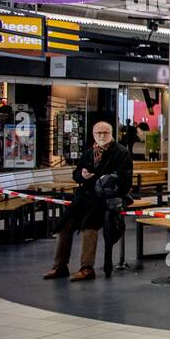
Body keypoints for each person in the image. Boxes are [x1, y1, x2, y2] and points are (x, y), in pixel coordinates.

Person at [42, 121, 133, 282]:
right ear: (93, 134)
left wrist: (106, 181)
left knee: (89, 226)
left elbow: (125, 181)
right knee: (65, 224)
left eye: (105, 132)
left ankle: (86, 268)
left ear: (112, 134)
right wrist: (82, 175)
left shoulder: (121, 152)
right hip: (85, 197)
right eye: (99, 133)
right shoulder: (89, 152)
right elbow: (76, 173)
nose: (102, 135)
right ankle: (59, 266)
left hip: (105, 199)